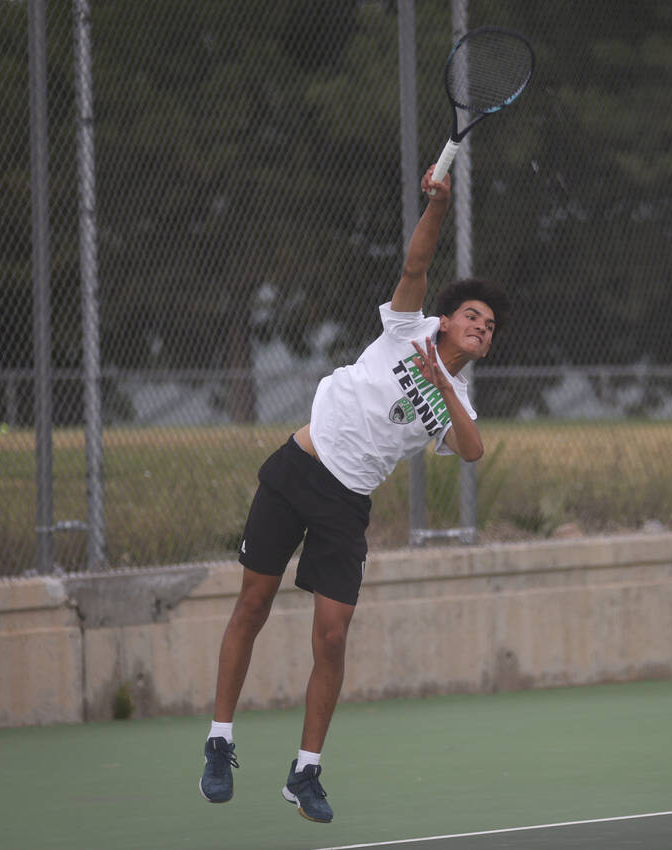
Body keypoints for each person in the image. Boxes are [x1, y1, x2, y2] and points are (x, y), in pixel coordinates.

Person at [198, 166, 509, 823]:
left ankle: (305, 772)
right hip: (297, 469)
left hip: (347, 505)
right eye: (473, 317)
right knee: (252, 603)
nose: (482, 327)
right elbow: (417, 261)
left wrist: (443, 384)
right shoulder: (407, 329)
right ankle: (219, 742)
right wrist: (438, 205)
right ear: (446, 320)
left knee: (333, 639)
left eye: (490, 326)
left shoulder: (456, 401)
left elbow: (474, 450)